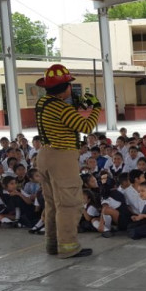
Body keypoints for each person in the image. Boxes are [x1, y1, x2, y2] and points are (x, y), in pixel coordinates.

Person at [34, 64, 101, 258]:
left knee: (52, 203)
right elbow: (86, 126)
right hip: (62, 157)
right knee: (69, 204)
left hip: (45, 155)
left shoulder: (43, 103)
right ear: (65, 88)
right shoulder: (62, 108)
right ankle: (68, 246)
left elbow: (62, 120)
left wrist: (75, 106)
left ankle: (52, 244)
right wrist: (95, 108)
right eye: (70, 85)